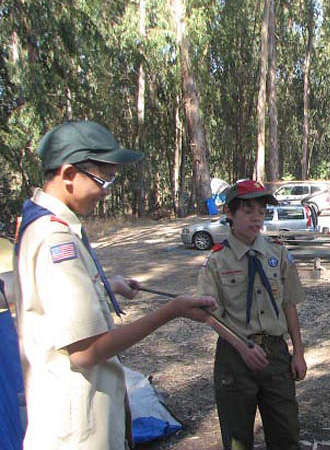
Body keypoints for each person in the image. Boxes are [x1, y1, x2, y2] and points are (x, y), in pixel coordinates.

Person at [12, 120, 217, 450]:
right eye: (103, 179)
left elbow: (56, 302)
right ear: (68, 174)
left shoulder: (44, 225)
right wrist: (171, 311)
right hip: (77, 434)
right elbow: (85, 352)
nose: (106, 191)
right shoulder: (55, 240)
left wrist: (112, 286)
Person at [197, 180, 307, 450]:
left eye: (261, 211)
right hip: (235, 356)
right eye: (248, 211)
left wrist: (298, 352)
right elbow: (211, 315)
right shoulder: (217, 261)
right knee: (237, 436)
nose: (256, 218)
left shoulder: (278, 253)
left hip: (275, 353)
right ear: (230, 213)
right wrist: (241, 347)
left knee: (285, 431)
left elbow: (289, 304)